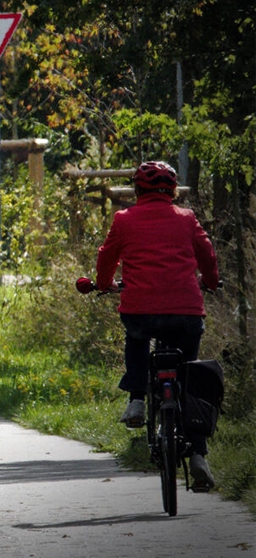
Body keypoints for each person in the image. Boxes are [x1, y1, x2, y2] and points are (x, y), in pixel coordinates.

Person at [96, 160, 220, 491]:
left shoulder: (124, 219)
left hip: (141, 310)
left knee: (136, 338)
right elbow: (206, 254)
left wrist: (103, 283)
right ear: (173, 191)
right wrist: (211, 280)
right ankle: (199, 457)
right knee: (191, 376)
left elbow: (107, 256)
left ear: (137, 190)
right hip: (186, 312)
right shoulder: (186, 217)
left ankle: (137, 399)